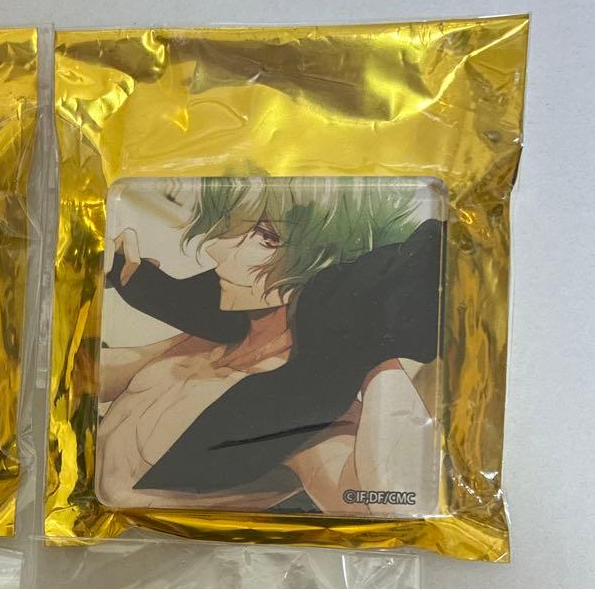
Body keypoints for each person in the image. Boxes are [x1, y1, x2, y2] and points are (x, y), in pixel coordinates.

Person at [97, 176, 443, 514]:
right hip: (80, 497)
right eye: (234, 227)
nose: (216, 249)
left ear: (325, 264)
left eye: (265, 237)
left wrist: (376, 352)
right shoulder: (218, 338)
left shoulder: (310, 416)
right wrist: (88, 280)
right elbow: (95, 378)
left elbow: (391, 503)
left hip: (145, 538)